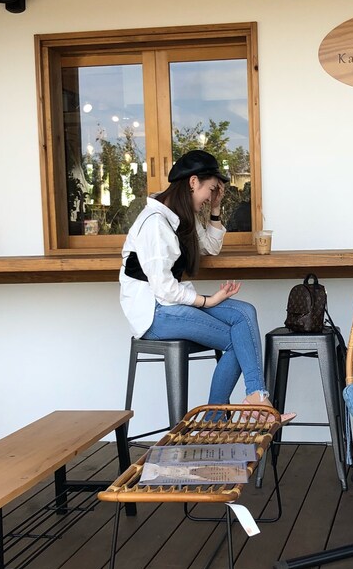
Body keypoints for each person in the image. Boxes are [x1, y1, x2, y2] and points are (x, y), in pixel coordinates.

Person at [119, 149, 294, 424]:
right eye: (210, 190)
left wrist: (215, 209)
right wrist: (207, 301)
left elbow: (210, 247)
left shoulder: (179, 217)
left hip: (169, 304)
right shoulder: (155, 223)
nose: (210, 197)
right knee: (238, 339)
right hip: (153, 312)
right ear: (193, 182)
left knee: (244, 313)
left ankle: (254, 397)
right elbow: (163, 288)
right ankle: (218, 418)